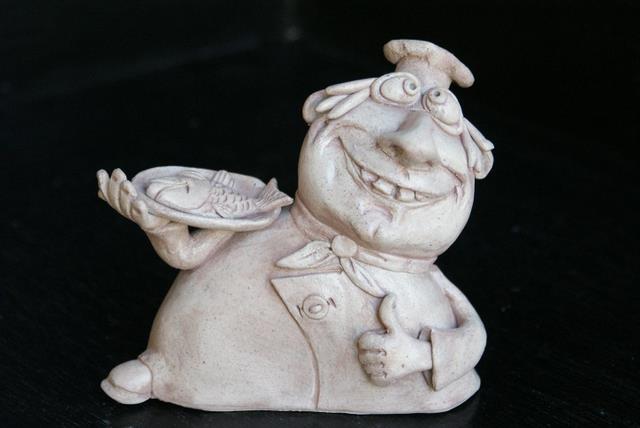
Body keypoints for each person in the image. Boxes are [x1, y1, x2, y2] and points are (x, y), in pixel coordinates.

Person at [97, 39, 494, 413]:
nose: (413, 146)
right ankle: (169, 370)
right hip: (241, 362)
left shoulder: (422, 282)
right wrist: (162, 228)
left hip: (387, 388)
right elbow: (187, 256)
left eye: (440, 122)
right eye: (392, 102)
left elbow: (472, 335)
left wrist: (420, 355)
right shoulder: (260, 213)